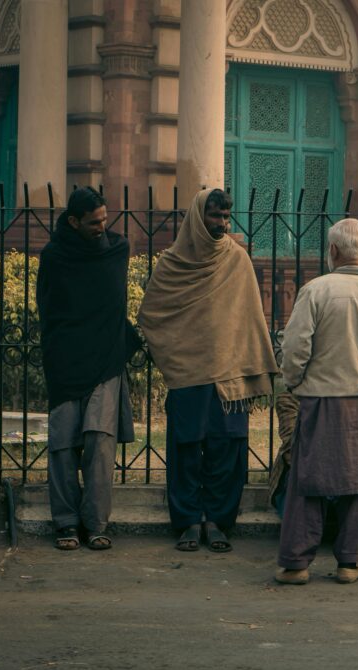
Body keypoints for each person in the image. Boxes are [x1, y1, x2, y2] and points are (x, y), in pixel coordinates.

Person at [138, 189, 278, 553]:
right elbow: (151, 315)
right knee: (185, 450)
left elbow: (248, 317)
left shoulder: (237, 260)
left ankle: (218, 521)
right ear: (199, 217)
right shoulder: (172, 263)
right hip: (188, 375)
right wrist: (177, 356)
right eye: (215, 216)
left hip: (230, 376)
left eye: (226, 216)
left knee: (227, 451)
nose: (222, 224)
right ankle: (186, 521)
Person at [273, 219, 358, 585]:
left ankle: (297, 563)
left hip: (321, 398)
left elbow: (295, 347)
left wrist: (295, 381)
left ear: (333, 251)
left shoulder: (316, 291)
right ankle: (350, 562)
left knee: (308, 481)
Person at [37, 187, 137, 551]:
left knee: (99, 441)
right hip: (65, 361)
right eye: (93, 222)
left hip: (106, 359)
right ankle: (65, 522)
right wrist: (54, 358)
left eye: (104, 220)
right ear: (73, 221)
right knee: (63, 443)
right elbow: (48, 312)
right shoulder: (54, 256)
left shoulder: (116, 250)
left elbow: (114, 304)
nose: (101, 227)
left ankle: (96, 523)